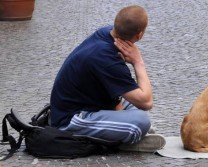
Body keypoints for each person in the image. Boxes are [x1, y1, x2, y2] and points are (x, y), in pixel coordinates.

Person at [50, 5, 165, 152]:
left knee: (133, 103)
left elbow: (113, 86)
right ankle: (120, 141)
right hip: (70, 119)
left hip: (88, 102)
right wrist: (138, 62)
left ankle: (120, 130)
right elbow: (147, 102)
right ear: (140, 35)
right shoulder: (106, 57)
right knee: (141, 121)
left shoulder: (105, 34)